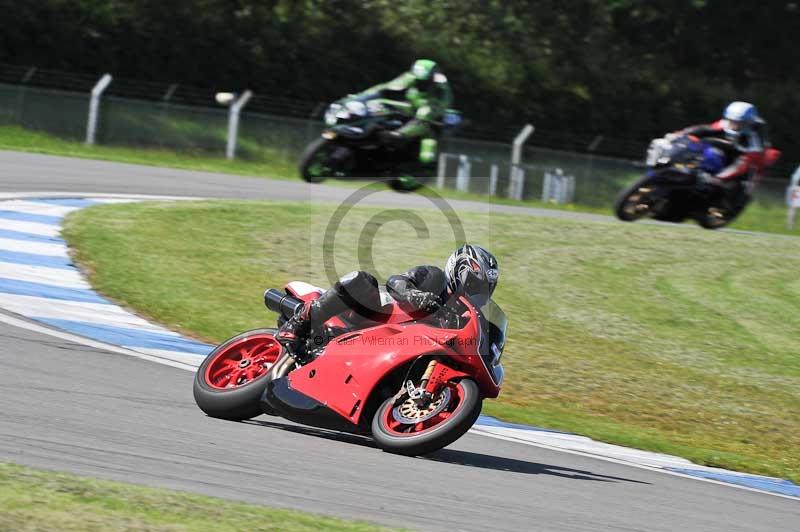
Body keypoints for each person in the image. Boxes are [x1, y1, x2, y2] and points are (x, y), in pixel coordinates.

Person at [274, 244, 499, 357]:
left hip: (388, 349)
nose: (477, 292)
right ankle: (299, 322)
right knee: (363, 280)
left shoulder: (462, 317)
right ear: (458, 272)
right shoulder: (434, 277)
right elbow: (396, 281)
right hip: (370, 317)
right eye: (474, 284)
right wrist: (414, 295)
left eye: (485, 289)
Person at [355, 59, 453, 166]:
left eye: (425, 82)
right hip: (411, 108)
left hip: (430, 119)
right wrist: (361, 97)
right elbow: (387, 86)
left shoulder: (441, 86)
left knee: (424, 115)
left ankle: (399, 136)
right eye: (418, 81)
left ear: (432, 78)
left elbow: (441, 105)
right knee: (380, 103)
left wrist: (398, 134)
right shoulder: (410, 76)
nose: (420, 84)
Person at [669, 101, 769, 194]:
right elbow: (704, 128)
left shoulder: (756, 136)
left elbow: (749, 160)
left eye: (739, 123)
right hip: (731, 147)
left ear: (748, 123)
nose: (733, 126)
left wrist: (719, 178)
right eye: (731, 121)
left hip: (750, 157)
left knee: (746, 176)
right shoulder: (725, 123)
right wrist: (678, 135)